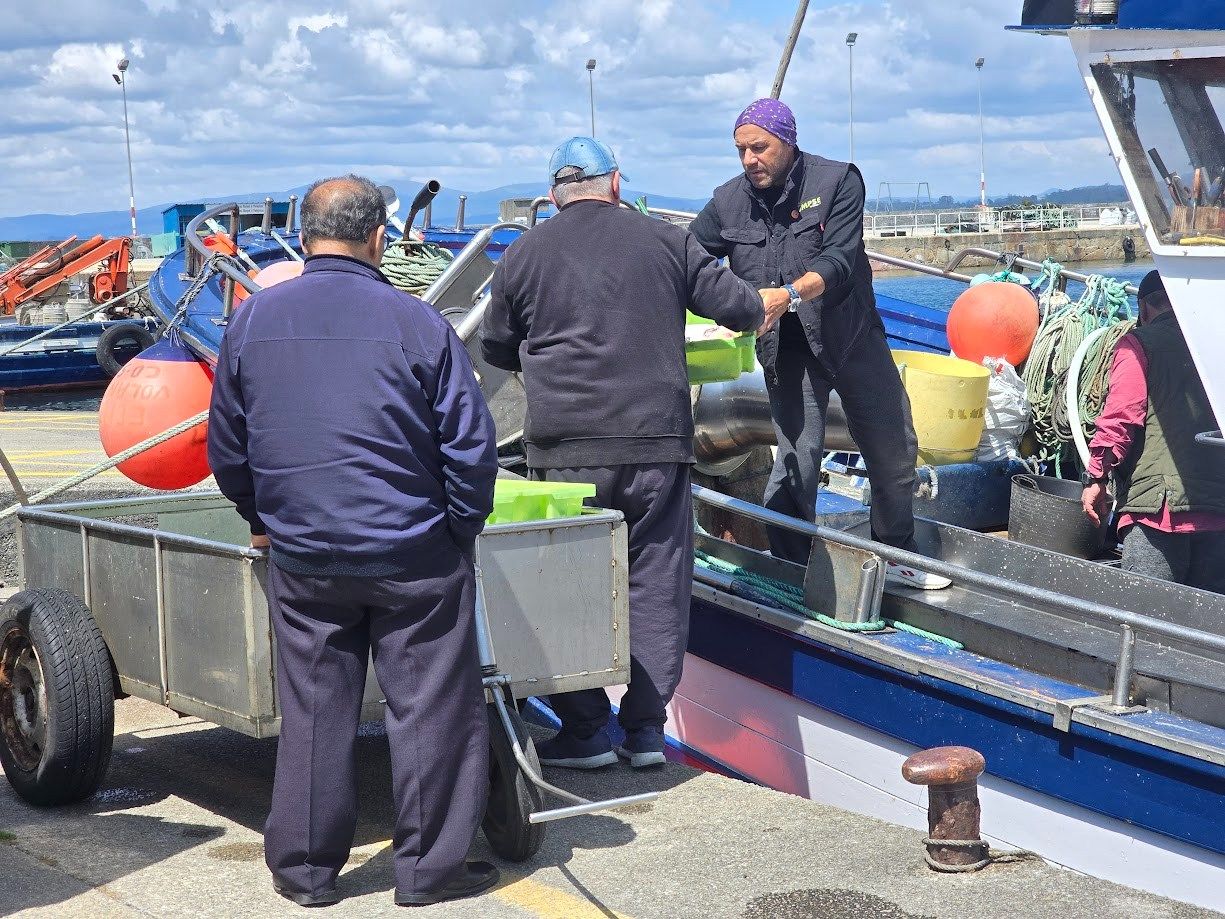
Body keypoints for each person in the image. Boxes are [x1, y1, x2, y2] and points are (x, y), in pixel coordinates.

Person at [207, 175, 500, 907]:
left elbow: (228, 447)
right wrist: (458, 527)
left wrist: (260, 515)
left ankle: (304, 871)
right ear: (377, 239)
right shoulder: (417, 322)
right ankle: (428, 871)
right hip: (413, 553)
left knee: (313, 711)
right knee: (429, 708)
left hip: (304, 555)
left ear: (305, 236)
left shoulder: (251, 322)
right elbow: (470, 448)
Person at [481, 137, 764, 769]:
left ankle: (584, 732)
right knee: (656, 582)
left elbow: (498, 348)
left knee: (568, 584)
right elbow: (739, 307)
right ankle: (642, 733)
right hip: (656, 444)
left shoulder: (524, 253)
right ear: (614, 184)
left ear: (553, 196)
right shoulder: (665, 239)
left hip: (564, 449)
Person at [689, 98, 950, 589]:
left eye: (759, 148)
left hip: (852, 339)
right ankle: (790, 571)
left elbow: (840, 260)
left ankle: (896, 554)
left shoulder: (838, 182)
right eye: (741, 150)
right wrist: (716, 309)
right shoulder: (728, 201)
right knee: (794, 464)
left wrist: (786, 295)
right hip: (788, 352)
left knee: (894, 452)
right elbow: (687, 256)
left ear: (787, 141)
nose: (749, 160)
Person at [1081, 269, 1225, 591]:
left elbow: (1121, 418)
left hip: (1158, 512)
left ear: (1144, 309)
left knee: (1145, 619)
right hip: (1217, 511)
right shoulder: (1216, 345)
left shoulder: (1138, 345)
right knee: (1209, 628)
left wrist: (1097, 479)